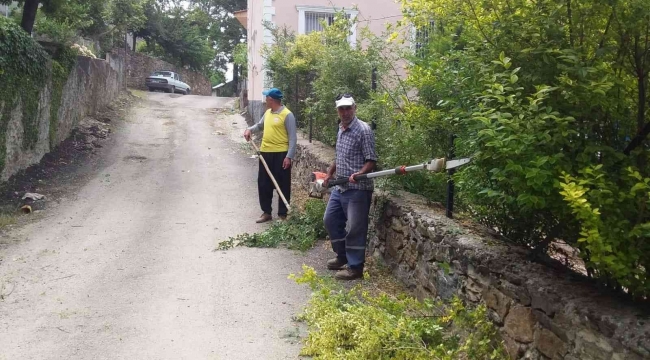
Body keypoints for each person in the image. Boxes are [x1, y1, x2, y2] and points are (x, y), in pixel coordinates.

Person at [322, 94, 377, 280]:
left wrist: (359, 174)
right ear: (337, 110)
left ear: (355, 108)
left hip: (358, 189)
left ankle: (355, 268)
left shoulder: (363, 130)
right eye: (341, 109)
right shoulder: (341, 128)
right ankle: (342, 256)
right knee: (330, 220)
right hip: (340, 186)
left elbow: (371, 160)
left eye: (348, 108)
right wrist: (329, 174)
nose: (345, 112)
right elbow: (339, 156)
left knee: (355, 227)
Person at [243, 88, 297, 223]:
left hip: (281, 154)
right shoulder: (267, 113)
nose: (265, 99)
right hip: (265, 153)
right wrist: (249, 129)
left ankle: (282, 214)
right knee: (263, 183)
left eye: (267, 97)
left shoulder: (287, 115)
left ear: (272, 100)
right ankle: (266, 212)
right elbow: (260, 125)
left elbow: (293, 138)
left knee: (282, 184)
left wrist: (289, 156)